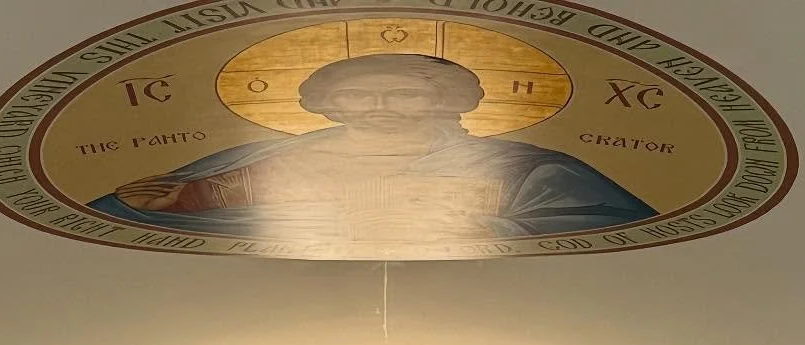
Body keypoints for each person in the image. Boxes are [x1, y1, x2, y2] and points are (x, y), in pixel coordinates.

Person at [92, 52, 656, 254]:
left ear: (447, 102)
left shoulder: (524, 167)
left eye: (406, 92)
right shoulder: (261, 158)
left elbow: (610, 225)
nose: (380, 105)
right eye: (357, 94)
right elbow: (125, 217)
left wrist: (491, 230)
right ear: (328, 105)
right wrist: (169, 203)